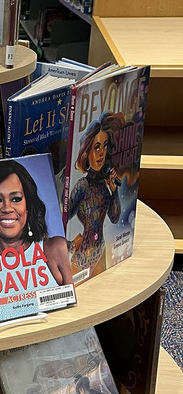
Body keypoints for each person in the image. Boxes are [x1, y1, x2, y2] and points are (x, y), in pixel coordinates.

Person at [0, 159, 73, 322]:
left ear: (28, 204)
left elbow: (76, 314)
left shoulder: (55, 249)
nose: (7, 208)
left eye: (16, 198)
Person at [67, 112, 125, 277]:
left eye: (105, 146)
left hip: (101, 253)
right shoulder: (81, 187)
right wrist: (70, 245)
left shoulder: (104, 185)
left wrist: (115, 192)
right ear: (87, 152)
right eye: (97, 147)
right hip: (80, 262)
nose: (101, 153)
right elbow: (56, 224)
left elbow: (114, 218)